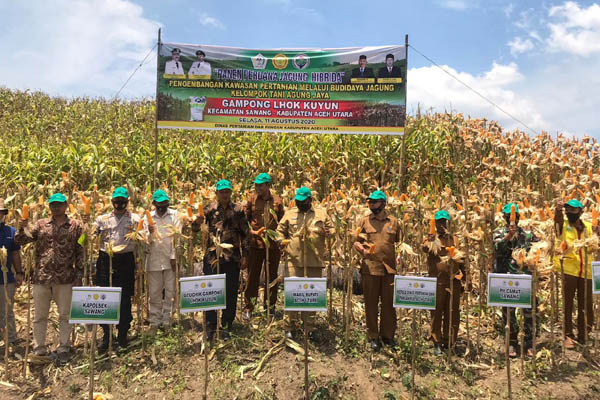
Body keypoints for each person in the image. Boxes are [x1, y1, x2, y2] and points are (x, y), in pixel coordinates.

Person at [15, 193, 83, 364]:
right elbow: (21, 240)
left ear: (66, 205)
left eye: (59, 204)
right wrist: (22, 227)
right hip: (42, 277)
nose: (56, 207)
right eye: (53, 205)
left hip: (65, 277)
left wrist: (80, 273)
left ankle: (64, 347)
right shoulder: (41, 224)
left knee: (65, 315)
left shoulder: (75, 226)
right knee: (40, 316)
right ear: (49, 207)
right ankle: (39, 348)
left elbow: (80, 250)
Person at [193, 179, 249, 341]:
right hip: (212, 258)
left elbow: (245, 234)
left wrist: (245, 255)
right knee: (211, 292)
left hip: (232, 258)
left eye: (227, 192)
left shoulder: (238, 210)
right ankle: (210, 325)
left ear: (231, 193)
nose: (224, 194)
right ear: (216, 193)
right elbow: (195, 230)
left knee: (231, 292)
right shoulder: (209, 210)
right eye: (221, 192)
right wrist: (196, 223)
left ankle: (227, 325)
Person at [277, 187, 334, 340]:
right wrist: (281, 241)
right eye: (298, 201)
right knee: (293, 292)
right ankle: (289, 326)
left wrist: (329, 233)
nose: (300, 203)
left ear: (310, 200)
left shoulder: (321, 214)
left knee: (311, 294)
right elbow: (279, 231)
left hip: (314, 260)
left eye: (303, 201)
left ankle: (309, 326)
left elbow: (333, 229)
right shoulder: (289, 214)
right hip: (293, 260)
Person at [94, 187, 140, 352]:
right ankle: (107, 334)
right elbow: (89, 235)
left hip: (125, 260)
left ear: (127, 201)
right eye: (116, 201)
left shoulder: (135, 219)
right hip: (106, 260)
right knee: (105, 297)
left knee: (125, 298)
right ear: (112, 202)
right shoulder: (102, 219)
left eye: (122, 201)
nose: (119, 204)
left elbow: (144, 237)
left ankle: (122, 335)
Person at [353, 190, 399, 351]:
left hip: (389, 269)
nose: (371, 204)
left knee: (388, 304)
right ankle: (373, 336)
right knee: (371, 304)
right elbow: (356, 242)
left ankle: (388, 336)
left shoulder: (393, 222)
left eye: (374, 202)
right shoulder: (364, 221)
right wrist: (362, 250)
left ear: (383, 203)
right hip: (370, 269)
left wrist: (400, 257)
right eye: (370, 202)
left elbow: (400, 243)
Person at [493, 203, 538, 357]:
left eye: (514, 216)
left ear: (519, 217)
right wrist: (508, 236)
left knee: (529, 311)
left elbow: (539, 249)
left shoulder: (527, 234)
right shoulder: (499, 233)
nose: (512, 219)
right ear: (505, 218)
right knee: (508, 312)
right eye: (509, 216)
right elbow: (496, 248)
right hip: (506, 277)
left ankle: (528, 343)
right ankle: (511, 342)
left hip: (524, 278)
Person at [242, 173, 285, 320]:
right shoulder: (251, 200)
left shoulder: (277, 202)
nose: (257, 187)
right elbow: (245, 220)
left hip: (272, 246)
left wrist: (280, 239)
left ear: (268, 186)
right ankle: (248, 307)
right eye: (256, 185)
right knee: (252, 277)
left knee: (271, 278)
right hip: (255, 244)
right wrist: (251, 231)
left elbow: (282, 222)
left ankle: (270, 308)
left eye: (261, 185)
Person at [553, 198, 595, 348]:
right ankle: (568, 335)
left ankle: (584, 333)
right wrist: (558, 211)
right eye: (567, 210)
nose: (569, 212)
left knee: (586, 304)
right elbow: (557, 221)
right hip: (569, 270)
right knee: (568, 304)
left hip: (587, 271)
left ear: (581, 211)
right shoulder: (563, 226)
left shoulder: (589, 227)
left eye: (573, 210)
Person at [423, 210, 465, 355]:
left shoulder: (455, 239)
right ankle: (436, 341)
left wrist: (466, 279)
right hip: (437, 282)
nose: (441, 225)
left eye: (444, 222)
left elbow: (463, 260)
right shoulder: (431, 238)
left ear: (448, 223)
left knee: (452, 312)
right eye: (439, 222)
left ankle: (450, 341)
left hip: (454, 281)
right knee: (437, 311)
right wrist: (430, 240)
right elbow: (424, 248)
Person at [145, 189, 180, 334]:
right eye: (159, 204)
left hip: (169, 259)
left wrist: (173, 257)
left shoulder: (174, 215)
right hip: (153, 259)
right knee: (154, 293)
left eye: (165, 203)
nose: (162, 206)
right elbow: (144, 240)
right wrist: (150, 232)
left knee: (170, 291)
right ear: (153, 203)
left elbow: (176, 236)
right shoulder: (148, 217)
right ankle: (154, 322)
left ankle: (167, 321)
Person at [0, 199, 23, 349]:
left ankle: (11, 339)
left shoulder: (11, 232)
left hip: (5, 280)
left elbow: (15, 254)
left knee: (7, 310)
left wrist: (20, 273)